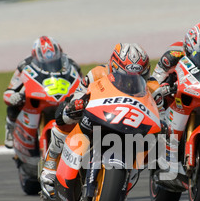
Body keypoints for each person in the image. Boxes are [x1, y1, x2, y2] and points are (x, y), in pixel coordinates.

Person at [40, 43, 151, 190]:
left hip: (128, 123)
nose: (131, 81)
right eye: (126, 75)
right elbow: (79, 94)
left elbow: (157, 111)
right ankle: (51, 161)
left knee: (155, 139)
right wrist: (77, 104)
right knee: (66, 115)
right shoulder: (97, 73)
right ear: (114, 67)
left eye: (139, 76)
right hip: (99, 115)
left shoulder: (151, 87)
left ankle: (127, 178)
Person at [3, 36, 83, 149]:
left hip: (60, 94)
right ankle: (10, 129)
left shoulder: (70, 63)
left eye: (55, 62)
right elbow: (10, 90)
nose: (52, 66)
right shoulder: (24, 65)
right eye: (46, 63)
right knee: (15, 104)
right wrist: (13, 96)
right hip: (39, 93)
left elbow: (83, 83)